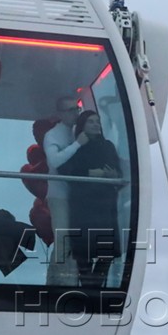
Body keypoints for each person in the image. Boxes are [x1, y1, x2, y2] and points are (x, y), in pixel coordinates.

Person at [53, 109, 121, 287]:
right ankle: (89, 290)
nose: (96, 124)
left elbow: (119, 173)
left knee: (107, 252)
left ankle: (94, 288)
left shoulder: (108, 146)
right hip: (83, 206)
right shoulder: (76, 146)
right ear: (82, 126)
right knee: (84, 253)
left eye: (97, 121)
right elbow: (63, 169)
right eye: (91, 121)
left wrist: (113, 175)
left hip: (105, 205)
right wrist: (91, 173)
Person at [41, 95, 82, 285]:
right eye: (71, 110)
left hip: (76, 196)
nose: (75, 113)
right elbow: (54, 161)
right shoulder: (52, 135)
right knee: (63, 238)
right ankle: (58, 282)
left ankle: (63, 281)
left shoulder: (78, 132)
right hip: (58, 196)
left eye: (77, 108)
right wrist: (78, 144)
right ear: (60, 114)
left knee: (71, 240)